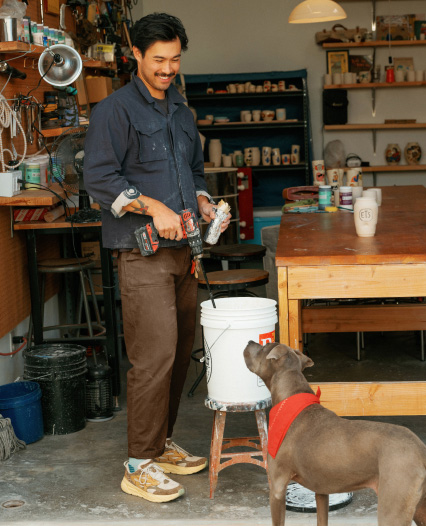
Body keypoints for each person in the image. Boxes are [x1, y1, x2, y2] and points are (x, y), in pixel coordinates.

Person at [84, 12, 230, 503]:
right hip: (141, 253)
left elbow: (194, 170)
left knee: (179, 353)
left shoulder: (182, 113)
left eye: (175, 60)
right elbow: (100, 180)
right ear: (138, 58)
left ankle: (161, 443)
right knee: (154, 357)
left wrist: (205, 202)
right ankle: (138, 463)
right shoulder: (115, 110)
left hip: (185, 253)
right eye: (159, 61)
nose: (168, 69)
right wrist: (153, 206)